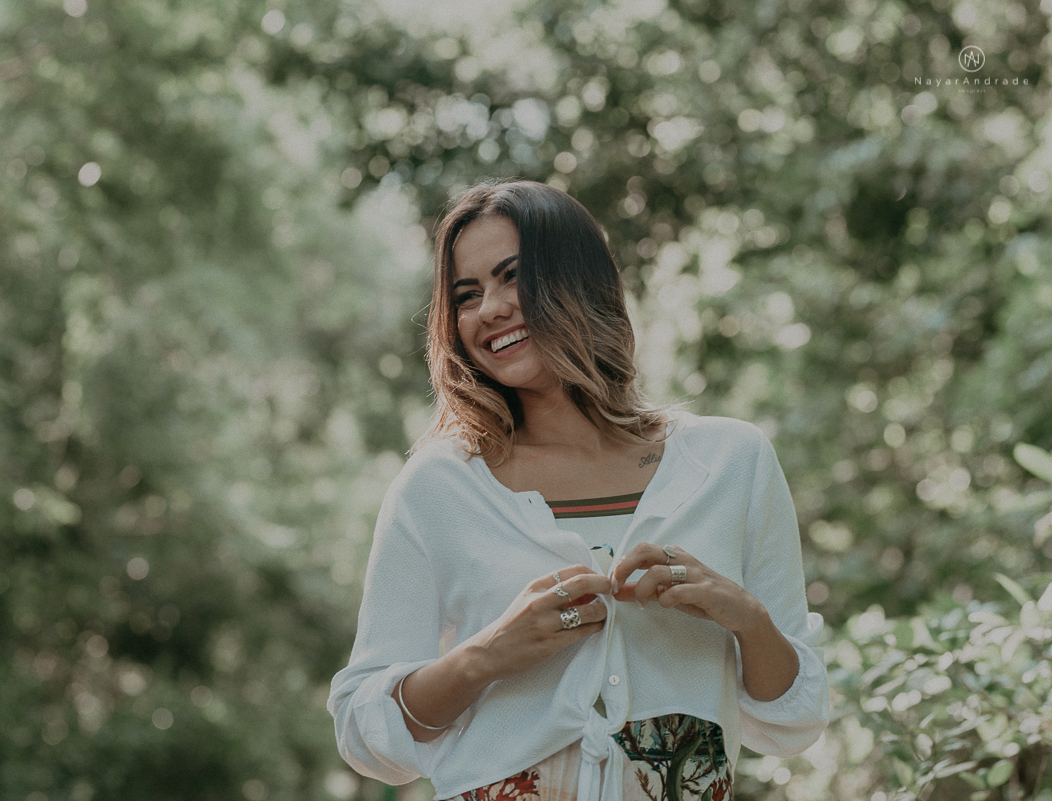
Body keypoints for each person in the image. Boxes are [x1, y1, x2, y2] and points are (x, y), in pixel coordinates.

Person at [328, 180, 828, 801]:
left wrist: (745, 618)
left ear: (580, 280)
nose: (489, 309)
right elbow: (361, 726)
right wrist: (489, 653)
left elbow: (795, 718)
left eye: (512, 277)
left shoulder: (731, 462)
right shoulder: (439, 487)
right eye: (467, 295)